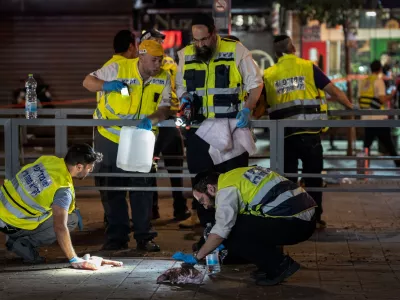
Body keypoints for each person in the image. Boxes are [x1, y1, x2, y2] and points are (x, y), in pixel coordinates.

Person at [175, 14, 263, 230]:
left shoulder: (236, 50)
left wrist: (247, 108)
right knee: (201, 183)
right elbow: (180, 86)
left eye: (204, 39)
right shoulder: (186, 54)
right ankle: (208, 231)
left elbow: (256, 83)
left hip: (230, 128)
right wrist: (184, 97)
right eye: (196, 40)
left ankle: (236, 233)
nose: (199, 44)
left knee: (232, 182)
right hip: (199, 130)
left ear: (213, 33)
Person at [82, 40, 172, 252]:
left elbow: (165, 107)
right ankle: (116, 237)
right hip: (110, 136)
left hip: (141, 138)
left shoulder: (164, 77)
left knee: (142, 187)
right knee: (111, 188)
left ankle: (144, 237)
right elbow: (87, 82)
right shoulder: (118, 68)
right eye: (153, 60)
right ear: (140, 57)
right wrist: (106, 85)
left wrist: (153, 119)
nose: (157, 64)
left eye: (160, 60)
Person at [263, 35, 353, 229]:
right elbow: (333, 91)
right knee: (313, 177)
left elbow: (261, 105)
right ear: (293, 48)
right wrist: (350, 107)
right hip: (309, 133)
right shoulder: (308, 67)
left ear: (276, 53)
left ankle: (290, 216)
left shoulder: (269, 74)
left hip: (284, 136)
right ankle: (314, 218)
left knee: (288, 179)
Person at [172, 166, 317, 286]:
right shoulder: (233, 176)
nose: (204, 205)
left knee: (231, 231)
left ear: (210, 189)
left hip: (296, 222)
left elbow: (221, 231)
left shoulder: (225, 190)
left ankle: (278, 265)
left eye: (202, 200)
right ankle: (269, 264)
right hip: (304, 216)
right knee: (239, 226)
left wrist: (197, 257)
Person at [0, 144, 112, 270]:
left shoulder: (48, 160)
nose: (90, 171)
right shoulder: (63, 189)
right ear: (79, 167)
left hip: (2, 208)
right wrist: (74, 259)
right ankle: (23, 244)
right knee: (71, 220)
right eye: (90, 168)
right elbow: (60, 226)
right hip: (13, 224)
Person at [140, 29, 190, 221]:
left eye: (159, 41)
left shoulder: (164, 63)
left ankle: (159, 208)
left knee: (160, 165)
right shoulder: (167, 62)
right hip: (159, 121)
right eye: (154, 40)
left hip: (163, 119)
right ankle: (174, 208)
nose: (159, 43)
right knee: (167, 165)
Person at [359, 60, 399, 166]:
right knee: (388, 142)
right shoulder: (378, 81)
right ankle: (397, 162)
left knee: (367, 144)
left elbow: (359, 98)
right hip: (378, 117)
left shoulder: (364, 82)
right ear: (380, 69)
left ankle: (363, 165)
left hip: (366, 117)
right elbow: (382, 99)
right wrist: (392, 94)